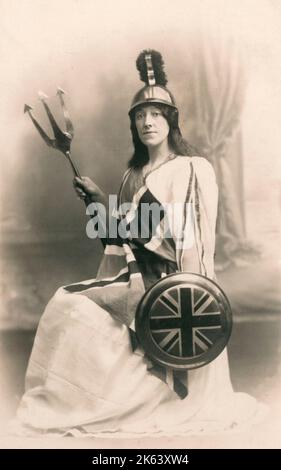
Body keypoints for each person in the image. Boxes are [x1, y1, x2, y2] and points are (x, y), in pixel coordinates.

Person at [11, 50, 265, 437]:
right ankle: (76, 401)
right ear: (133, 124)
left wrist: (190, 299)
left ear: (171, 121)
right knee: (67, 303)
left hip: (168, 283)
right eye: (140, 116)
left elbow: (181, 238)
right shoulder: (133, 174)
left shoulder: (191, 169)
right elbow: (116, 240)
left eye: (157, 114)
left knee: (74, 306)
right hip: (133, 276)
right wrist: (97, 203)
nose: (148, 122)